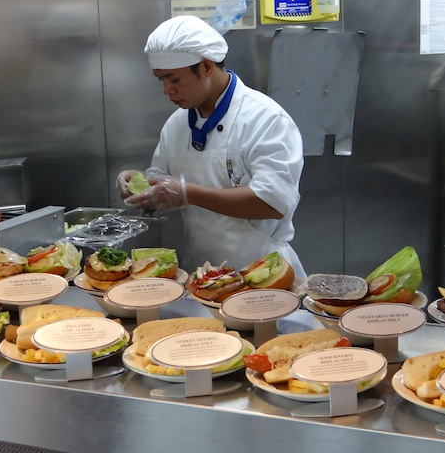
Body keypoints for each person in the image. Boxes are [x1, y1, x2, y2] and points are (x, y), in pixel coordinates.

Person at [116, 15, 306, 278]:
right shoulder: (177, 124)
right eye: (161, 80)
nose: (167, 90)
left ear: (205, 67)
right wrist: (139, 184)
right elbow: (161, 179)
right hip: (202, 272)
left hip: (263, 273)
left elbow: (271, 204)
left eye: (174, 79)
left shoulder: (265, 119)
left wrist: (187, 193)